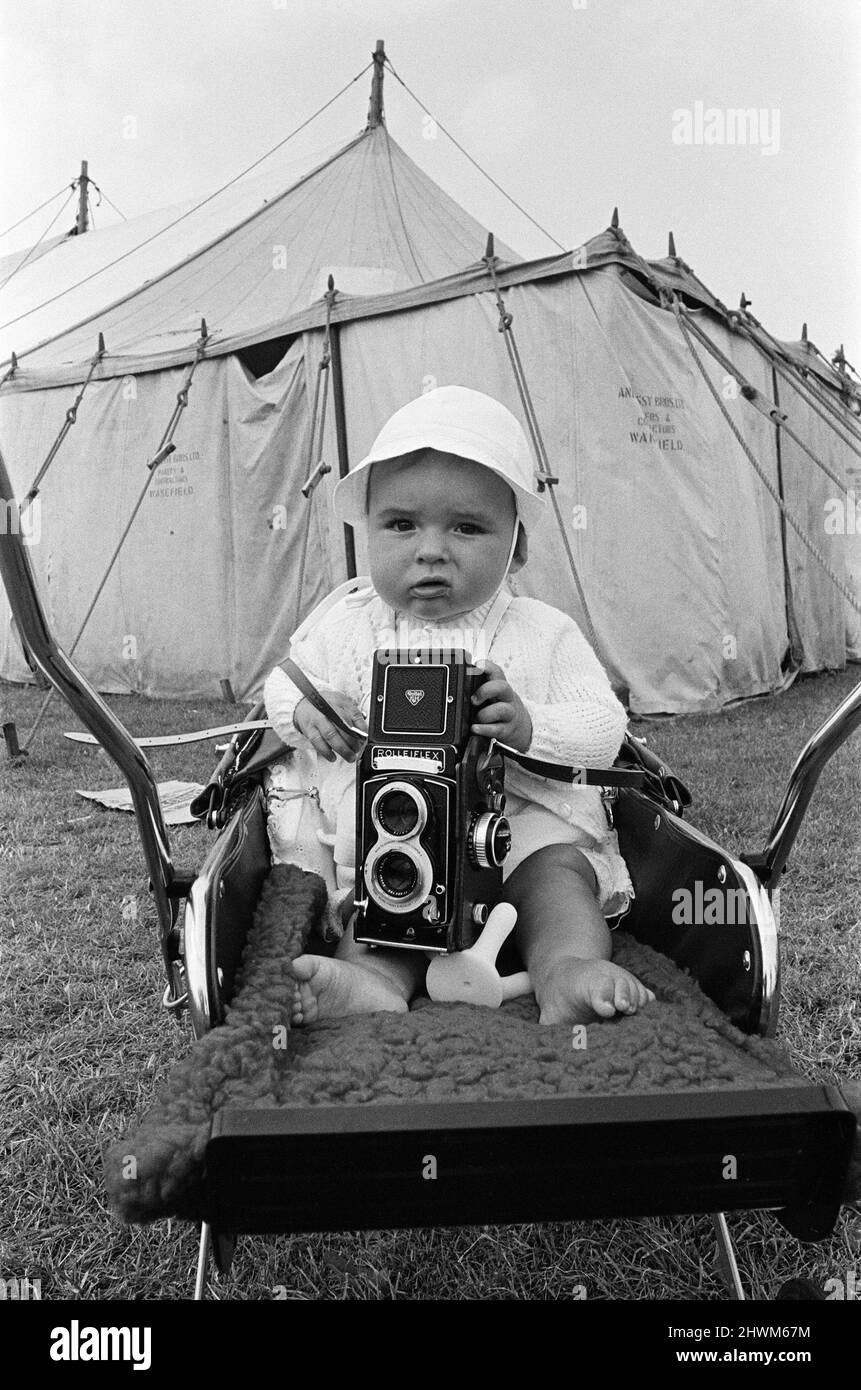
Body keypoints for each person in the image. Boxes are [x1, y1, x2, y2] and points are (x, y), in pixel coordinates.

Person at [264, 386, 654, 1027]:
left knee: (556, 874)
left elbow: (603, 726)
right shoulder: (348, 621)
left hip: (519, 829)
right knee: (383, 895)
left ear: (518, 549)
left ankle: (564, 969)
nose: (431, 550)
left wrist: (531, 725)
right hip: (398, 829)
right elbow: (289, 679)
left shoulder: (542, 630)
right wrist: (304, 709)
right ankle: (371, 979)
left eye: (467, 527)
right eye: (401, 524)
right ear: (364, 534)